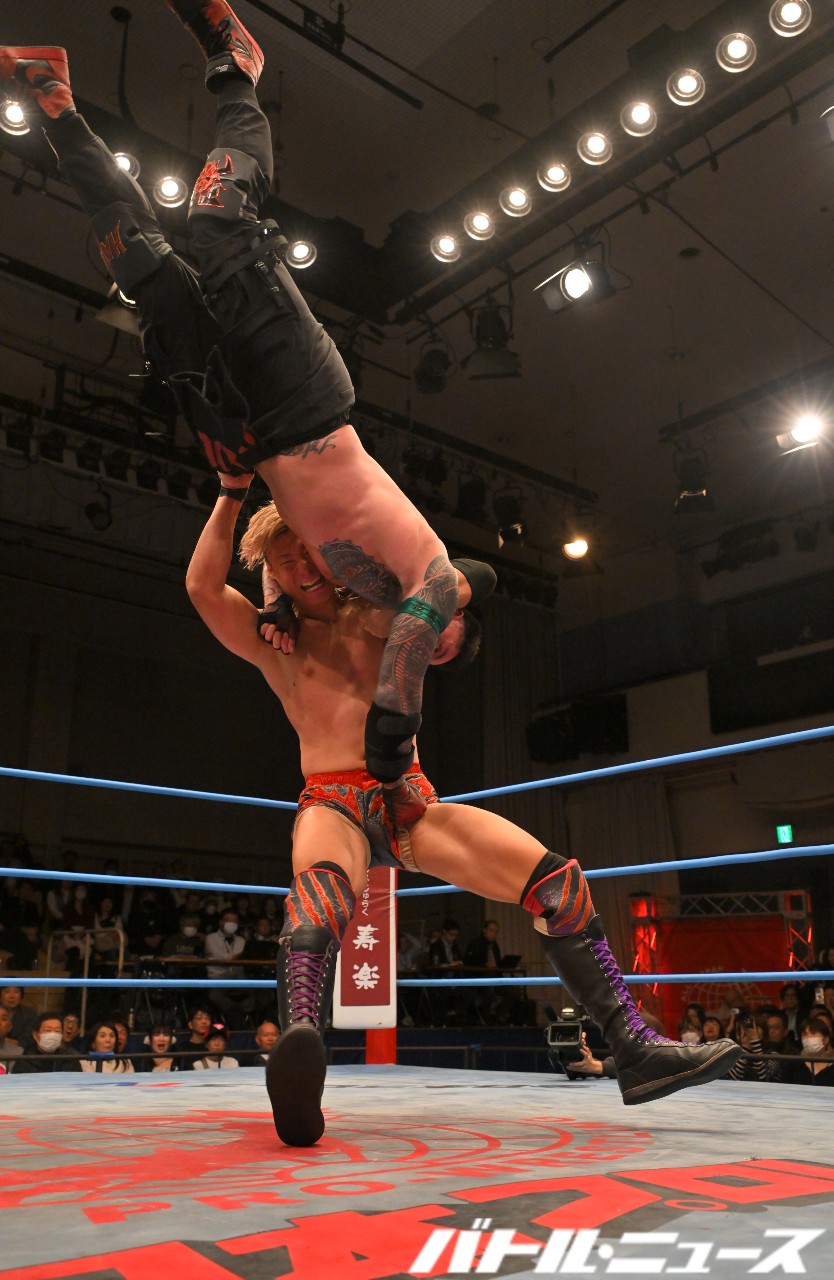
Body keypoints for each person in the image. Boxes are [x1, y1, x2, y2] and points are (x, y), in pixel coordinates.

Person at [0, 4, 497, 826]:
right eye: (442, 638)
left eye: (432, 652)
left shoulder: (348, 593)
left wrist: (272, 602)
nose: (423, 640)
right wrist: (395, 725)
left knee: (141, 264)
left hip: (254, 434)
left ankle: (54, 102)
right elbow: (438, 606)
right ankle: (238, 66)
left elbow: (287, 543)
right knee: (217, 221)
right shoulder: (429, 576)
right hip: (307, 400)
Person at [184, 497, 740, 1146]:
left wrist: (433, 605)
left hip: (408, 801)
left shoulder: (378, 611)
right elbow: (202, 587)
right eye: (284, 560)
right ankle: (301, 1047)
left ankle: (635, 1048)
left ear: (325, 548)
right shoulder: (274, 642)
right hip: (331, 801)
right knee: (320, 893)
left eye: (306, 551)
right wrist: (230, 493)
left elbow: (462, 578)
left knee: (558, 886)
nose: (301, 568)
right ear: (269, 572)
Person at [788, 1017, 834, 1088]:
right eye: (805, 1034)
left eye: (813, 1033)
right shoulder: (793, 1067)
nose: (809, 1038)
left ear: (826, 1039)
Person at [12, 1011, 83, 1074]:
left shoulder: (69, 1059)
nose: (53, 1035)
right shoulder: (25, 1060)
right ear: (36, 1035)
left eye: (57, 1031)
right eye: (48, 1030)